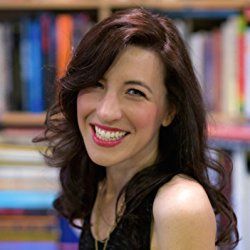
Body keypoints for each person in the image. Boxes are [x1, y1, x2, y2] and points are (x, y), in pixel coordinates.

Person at [34, 8, 239, 249]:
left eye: (135, 92)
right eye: (96, 83)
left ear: (170, 111)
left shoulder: (180, 205)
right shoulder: (100, 184)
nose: (106, 112)